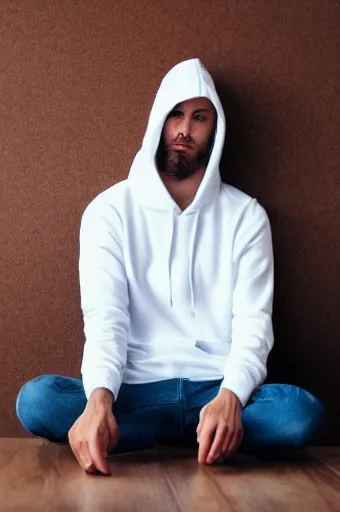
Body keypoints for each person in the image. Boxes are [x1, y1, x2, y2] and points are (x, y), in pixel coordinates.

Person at [16, 58, 325, 475]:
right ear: (158, 121)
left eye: (199, 117)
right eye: (175, 114)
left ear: (215, 129)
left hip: (215, 388)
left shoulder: (246, 216)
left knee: (297, 413)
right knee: (38, 401)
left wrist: (231, 395)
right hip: (135, 388)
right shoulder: (108, 212)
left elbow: (254, 322)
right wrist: (101, 400)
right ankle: (159, 431)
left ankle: (169, 431)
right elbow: (106, 318)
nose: (184, 129)